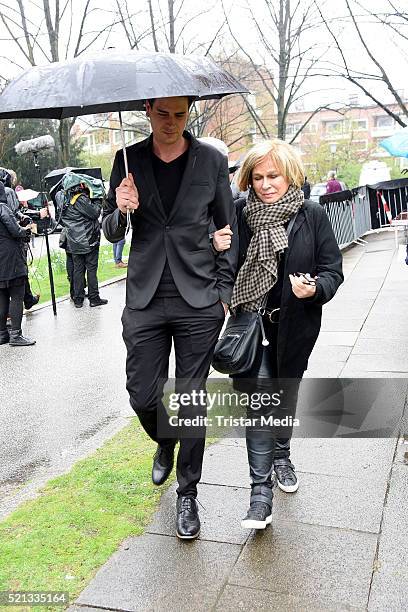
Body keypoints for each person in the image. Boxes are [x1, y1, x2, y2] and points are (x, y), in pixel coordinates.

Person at [103, 96, 238, 540]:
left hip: (198, 296)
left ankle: (187, 494)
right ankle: (164, 438)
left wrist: (221, 291)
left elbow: (227, 227)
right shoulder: (127, 161)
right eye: (163, 114)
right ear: (147, 110)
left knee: (192, 398)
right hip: (144, 296)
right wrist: (121, 209)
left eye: (180, 114)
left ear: (189, 113)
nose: (171, 123)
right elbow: (111, 232)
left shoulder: (212, 160)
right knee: (143, 395)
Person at [213, 139, 343, 529]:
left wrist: (316, 288)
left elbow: (332, 269)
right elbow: (220, 266)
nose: (266, 184)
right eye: (258, 177)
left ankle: (283, 454)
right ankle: (259, 496)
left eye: (274, 176)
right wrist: (213, 244)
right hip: (247, 326)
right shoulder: (237, 214)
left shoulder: (312, 215)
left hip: (294, 328)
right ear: (248, 179)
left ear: (290, 176)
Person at [61, 181, 107, 308]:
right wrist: (97, 200)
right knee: (91, 269)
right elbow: (95, 213)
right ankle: (94, 298)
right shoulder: (80, 199)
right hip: (87, 240)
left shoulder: (64, 198)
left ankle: (78, 299)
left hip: (74, 241)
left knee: (78, 270)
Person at [0, 182, 36, 346]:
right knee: (16, 296)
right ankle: (16, 335)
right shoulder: (2, 207)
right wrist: (27, 229)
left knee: (1, 297)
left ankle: (2, 334)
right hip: (11, 258)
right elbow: (15, 230)